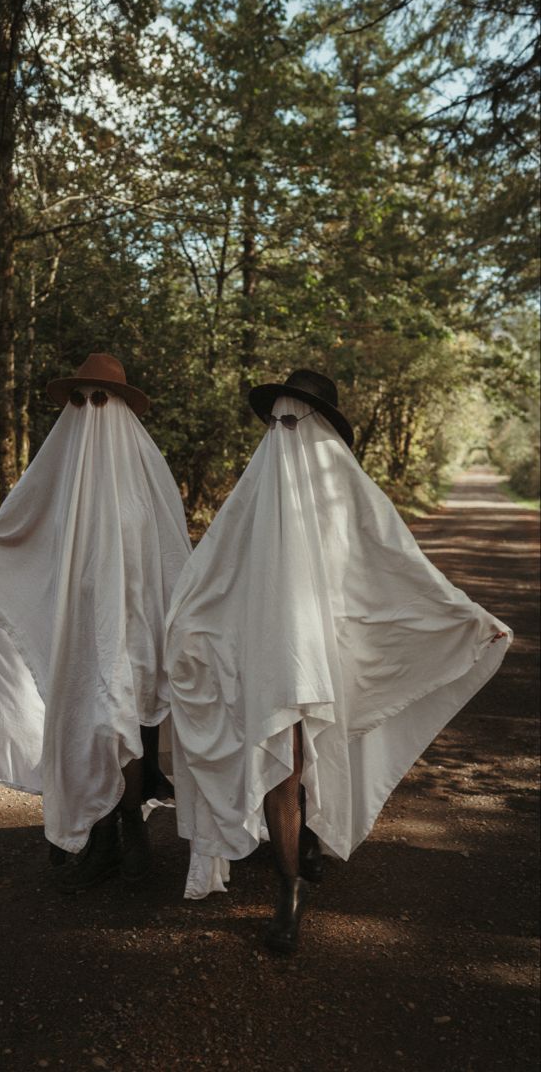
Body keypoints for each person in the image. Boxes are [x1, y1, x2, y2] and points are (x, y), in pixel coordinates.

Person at [165, 368, 511, 953]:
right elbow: (211, 574)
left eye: (294, 419)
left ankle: (309, 846)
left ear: (320, 424)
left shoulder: (348, 493)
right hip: (272, 657)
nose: (283, 430)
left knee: (320, 749)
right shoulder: (252, 496)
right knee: (286, 762)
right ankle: (288, 887)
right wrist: (186, 627)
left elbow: (402, 567)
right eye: (275, 420)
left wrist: (467, 617)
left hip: (333, 655)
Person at [0, 353, 191, 891]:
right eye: (81, 398)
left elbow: (171, 556)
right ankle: (105, 835)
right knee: (88, 730)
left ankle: (129, 829)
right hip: (78, 635)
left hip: (134, 635)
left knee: (126, 726)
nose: (91, 409)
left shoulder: (146, 478)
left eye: (102, 398)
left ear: (120, 407)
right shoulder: (57, 475)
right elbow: (15, 531)